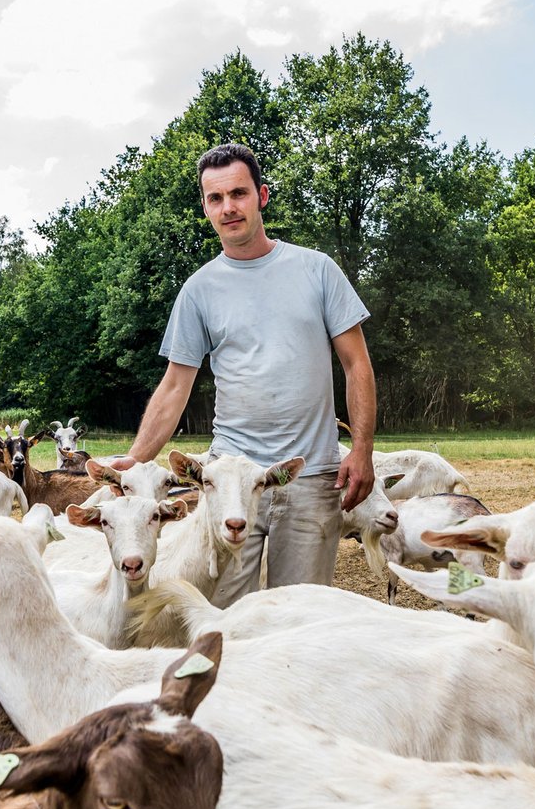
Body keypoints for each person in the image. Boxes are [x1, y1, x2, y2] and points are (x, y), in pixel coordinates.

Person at [112, 142, 376, 602]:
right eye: (216, 198)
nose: (228, 207)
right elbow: (176, 386)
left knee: (298, 618)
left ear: (262, 196)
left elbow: (357, 365)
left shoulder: (317, 270)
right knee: (220, 615)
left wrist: (363, 449)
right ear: (205, 207)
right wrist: (135, 461)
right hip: (228, 479)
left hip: (309, 475)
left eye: (238, 193)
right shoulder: (199, 290)